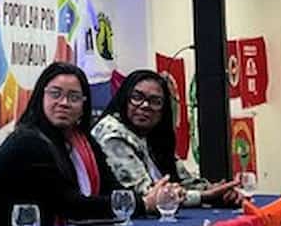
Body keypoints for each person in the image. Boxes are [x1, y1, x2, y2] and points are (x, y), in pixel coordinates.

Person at [0, 62, 168, 226]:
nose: (64, 103)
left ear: (83, 104)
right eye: (55, 94)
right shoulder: (27, 143)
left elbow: (112, 187)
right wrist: (143, 204)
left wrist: (151, 197)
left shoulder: (83, 140)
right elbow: (72, 206)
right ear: (41, 96)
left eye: (74, 97)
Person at [92, 68, 242, 207]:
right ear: (124, 98)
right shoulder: (111, 133)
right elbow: (147, 195)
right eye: (137, 97)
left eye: (155, 102)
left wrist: (217, 190)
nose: (145, 106)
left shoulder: (151, 134)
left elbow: (183, 180)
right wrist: (203, 196)